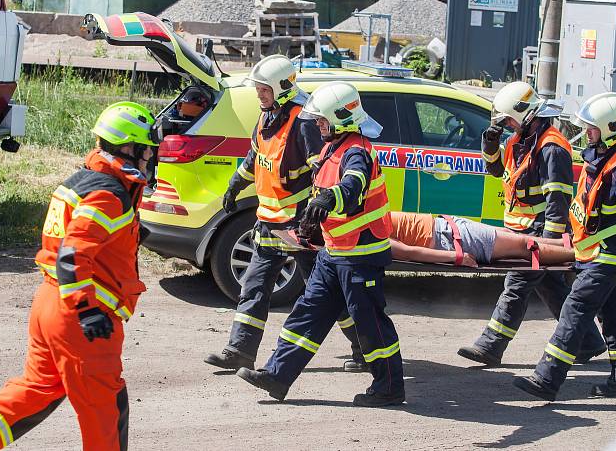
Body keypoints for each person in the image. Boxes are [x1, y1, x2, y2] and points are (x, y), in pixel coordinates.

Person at [0, 102, 159, 450]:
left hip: (50, 305)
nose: (150, 157)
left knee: (36, 390)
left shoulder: (85, 180)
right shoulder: (108, 195)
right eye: (146, 149)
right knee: (104, 410)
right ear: (128, 148)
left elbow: (74, 240)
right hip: (82, 317)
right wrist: (87, 310)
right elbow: (74, 253)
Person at [235, 81, 406, 407]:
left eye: (323, 120)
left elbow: (352, 187)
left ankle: (389, 388)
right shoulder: (330, 149)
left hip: (361, 254)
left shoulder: (357, 151)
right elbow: (324, 195)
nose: (317, 125)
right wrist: (311, 223)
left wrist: (330, 197)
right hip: (333, 252)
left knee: (369, 322)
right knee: (307, 312)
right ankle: (277, 375)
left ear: (342, 119)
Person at [204, 55, 366, 373]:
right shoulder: (266, 118)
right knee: (254, 286)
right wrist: (234, 186)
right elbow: (255, 159)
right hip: (270, 222)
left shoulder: (303, 122)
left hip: (300, 225)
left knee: (325, 291)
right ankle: (240, 350)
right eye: (258, 89)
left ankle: (364, 349)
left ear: (282, 88)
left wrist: (316, 214)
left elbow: (322, 169)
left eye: (264, 89)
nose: (259, 94)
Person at [513, 92, 616, 401]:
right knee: (615, 316)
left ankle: (547, 378)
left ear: (610, 129)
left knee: (575, 310)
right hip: (597, 253)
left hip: (607, 256)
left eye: (593, 129)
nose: (587, 134)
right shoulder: (600, 158)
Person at [458, 82, 607, 366]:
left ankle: (491, 345)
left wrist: (548, 242)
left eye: (509, 119)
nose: (507, 125)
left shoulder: (552, 147)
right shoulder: (519, 140)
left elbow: (558, 200)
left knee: (516, 284)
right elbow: (497, 170)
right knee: (550, 286)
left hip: (540, 232)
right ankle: (587, 341)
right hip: (523, 229)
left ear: (525, 115)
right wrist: (490, 146)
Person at [388, 211, 575, 267]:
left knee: (513, 236)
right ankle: (581, 255)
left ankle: (570, 243)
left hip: (447, 225)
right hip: (447, 238)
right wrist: (456, 257)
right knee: (523, 247)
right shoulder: (365, 234)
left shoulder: (363, 216)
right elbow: (406, 252)